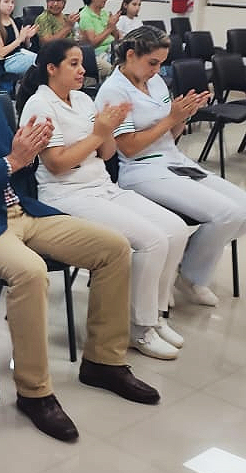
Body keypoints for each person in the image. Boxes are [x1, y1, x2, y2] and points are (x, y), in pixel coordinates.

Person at [0, 27, 159, 443]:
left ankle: (103, 362)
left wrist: (19, 160)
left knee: (113, 247)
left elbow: (20, 163)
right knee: (30, 272)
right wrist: (12, 161)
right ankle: (35, 391)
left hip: (22, 211)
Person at [17, 39, 192, 360]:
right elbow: (56, 163)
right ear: (51, 69)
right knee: (152, 241)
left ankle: (154, 314)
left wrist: (107, 130)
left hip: (100, 185)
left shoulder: (83, 100)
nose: (82, 69)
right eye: (73, 64)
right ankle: (137, 328)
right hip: (65, 195)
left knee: (176, 229)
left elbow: (106, 153)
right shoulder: (39, 105)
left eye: (81, 63)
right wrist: (98, 133)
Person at [95, 26, 246, 308]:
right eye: (152, 63)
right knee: (225, 214)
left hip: (173, 160)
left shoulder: (157, 82)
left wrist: (183, 117)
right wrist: (170, 118)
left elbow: (170, 135)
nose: (157, 70)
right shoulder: (113, 91)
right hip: (140, 170)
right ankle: (190, 276)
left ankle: (180, 265)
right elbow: (129, 147)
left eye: (161, 63)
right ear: (131, 55)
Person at [0, 0, 37, 77]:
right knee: (42, 63)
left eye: (12, 2)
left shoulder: (14, 21)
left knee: (45, 59)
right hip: (8, 61)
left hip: (20, 54)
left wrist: (27, 37)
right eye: (6, 2)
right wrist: (19, 39)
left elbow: (24, 46)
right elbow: (1, 52)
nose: (10, 5)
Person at [78, 0, 118, 80]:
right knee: (118, 71)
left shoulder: (105, 13)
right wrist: (109, 28)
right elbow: (93, 43)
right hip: (98, 54)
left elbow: (117, 37)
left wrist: (114, 27)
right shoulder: (85, 16)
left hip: (113, 49)